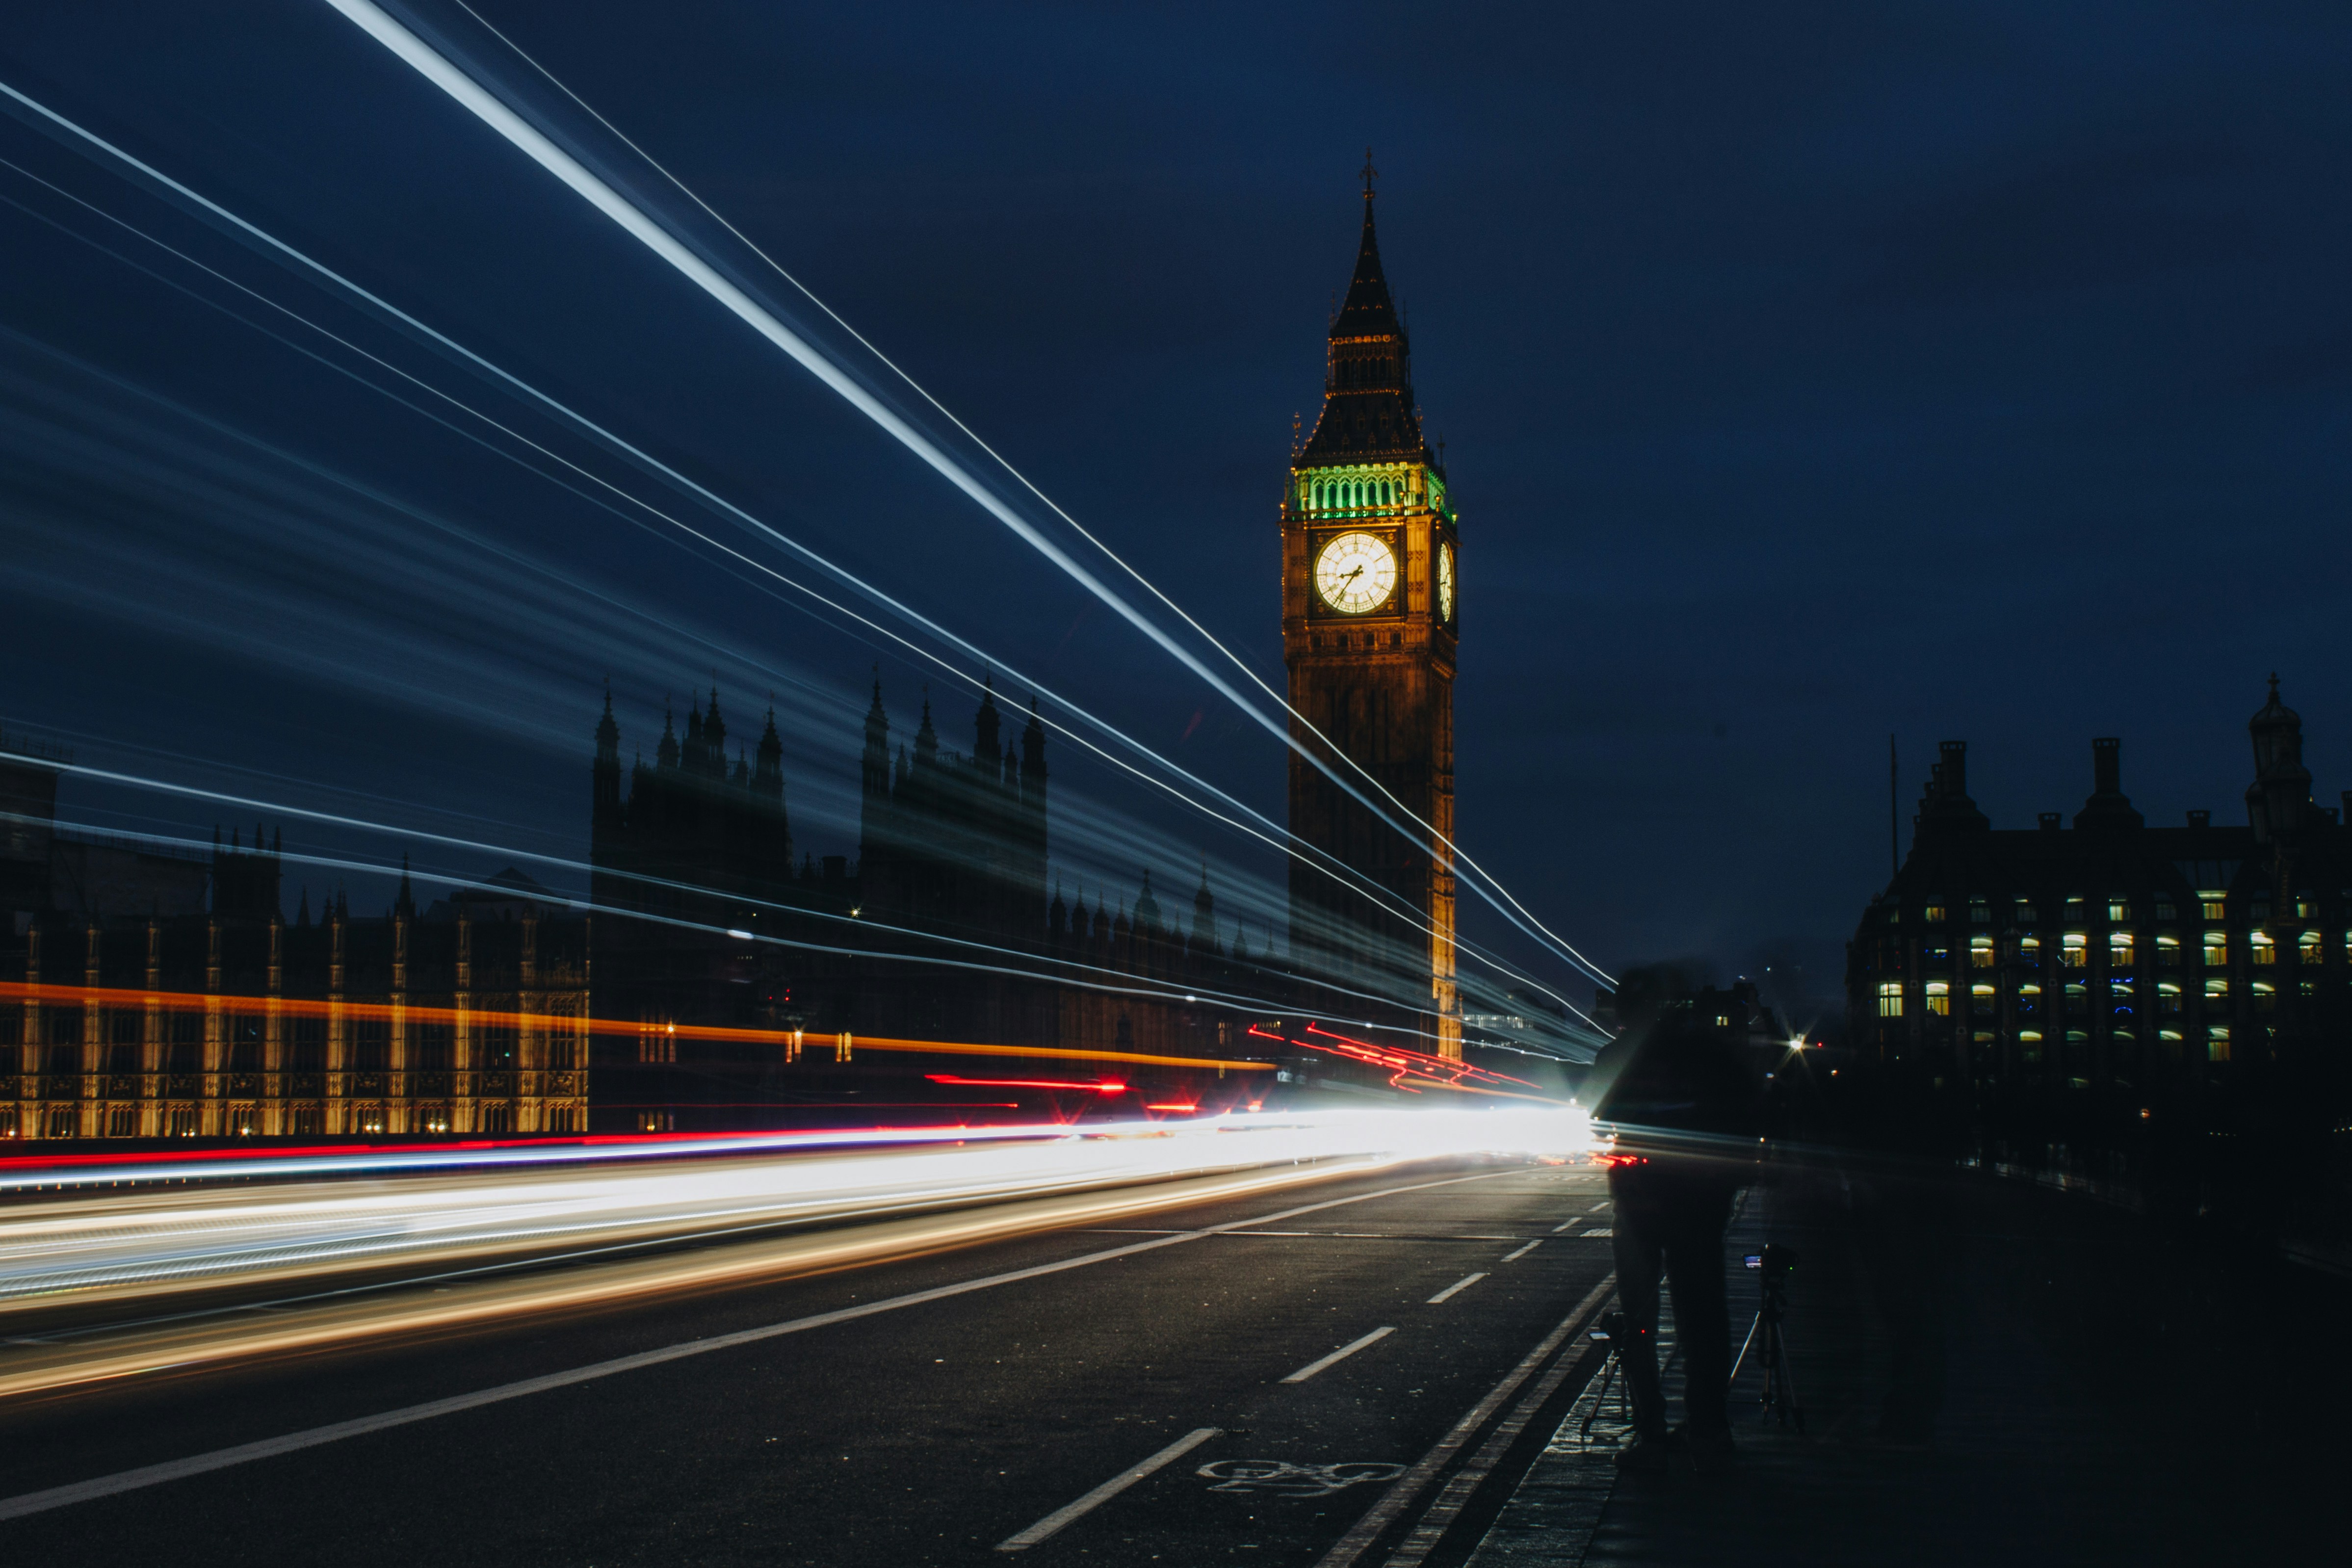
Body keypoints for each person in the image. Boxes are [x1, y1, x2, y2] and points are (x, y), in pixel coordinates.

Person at [1587, 967, 1763, 1474]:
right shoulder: (1710, 1052)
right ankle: (1709, 1430)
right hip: (1702, 1199)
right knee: (1703, 1315)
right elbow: (1748, 1111)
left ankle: (1652, 1434)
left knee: (1639, 1319)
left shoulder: (1616, 1056)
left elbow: (1596, 1118)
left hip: (1639, 1199)